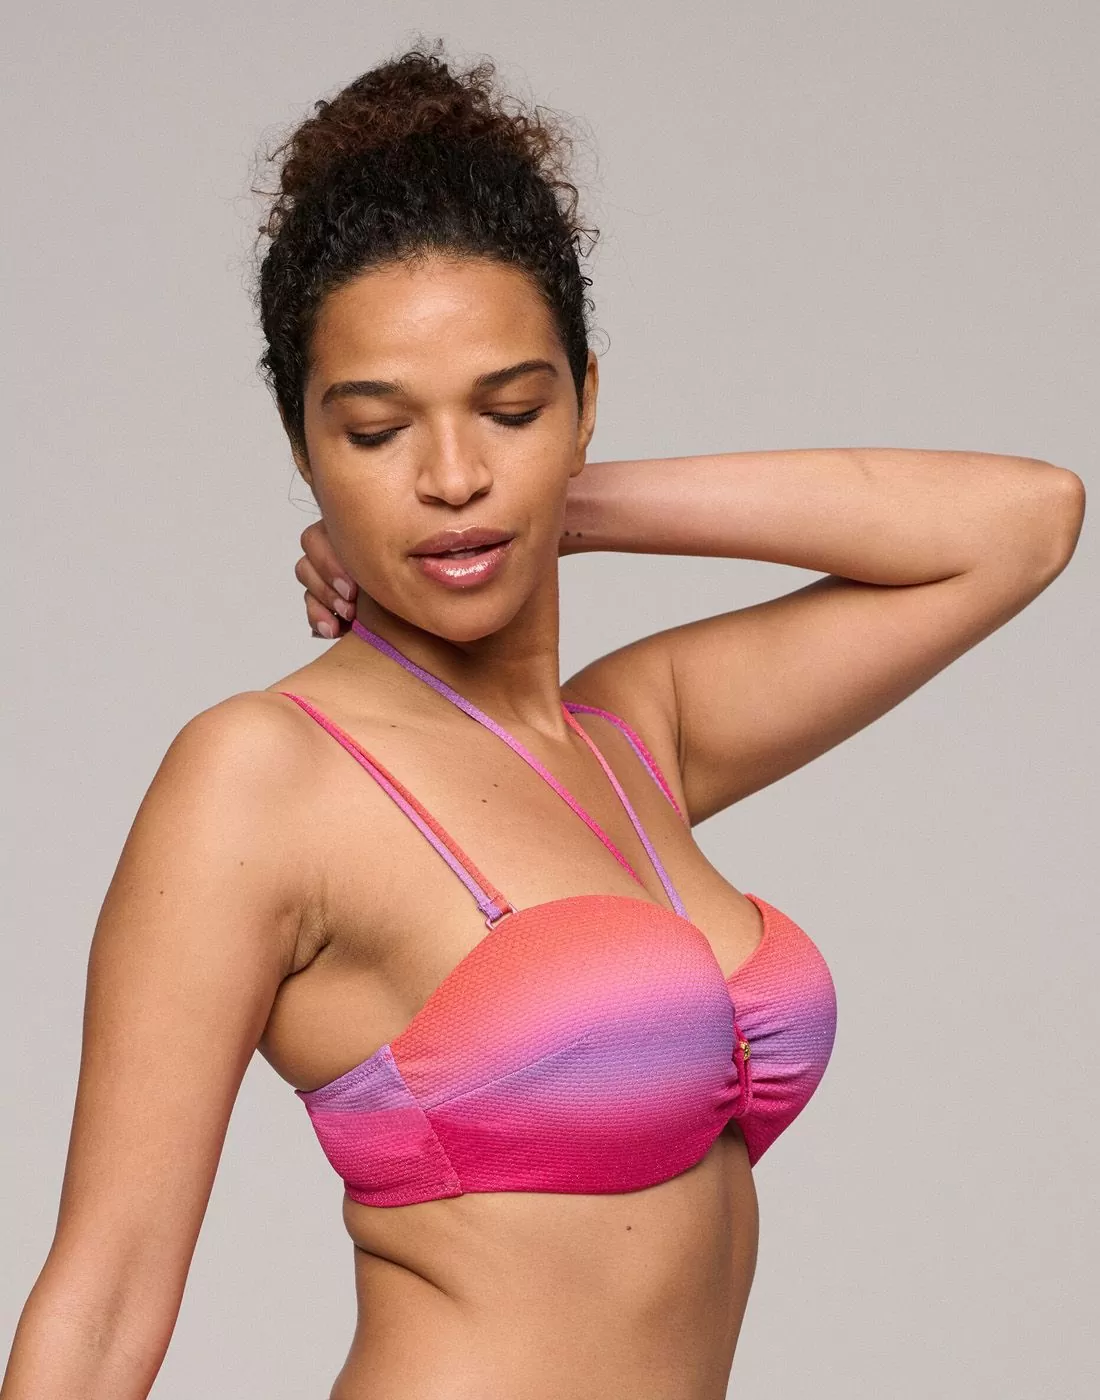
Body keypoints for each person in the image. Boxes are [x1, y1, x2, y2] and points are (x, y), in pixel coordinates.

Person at [1, 41, 1085, 1400]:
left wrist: (573, 503)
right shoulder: (264, 776)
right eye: (376, 434)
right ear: (303, 449)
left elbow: (1020, 525)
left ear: (583, 401)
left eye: (510, 410)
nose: (453, 475)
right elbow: (102, 1302)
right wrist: (519, 480)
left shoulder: (636, 741)